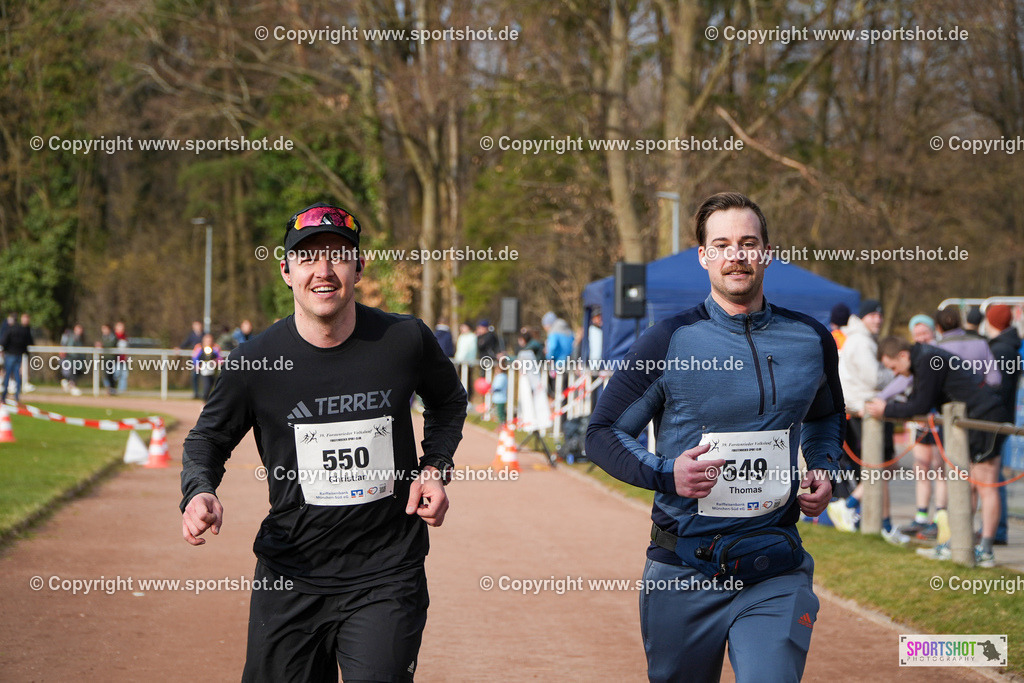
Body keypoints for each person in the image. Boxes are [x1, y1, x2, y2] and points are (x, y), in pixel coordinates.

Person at [180, 202, 467, 682]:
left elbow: (448, 402)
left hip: (386, 572)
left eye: (337, 255)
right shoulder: (256, 361)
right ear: (286, 271)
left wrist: (434, 466)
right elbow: (207, 438)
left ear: (358, 267)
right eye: (308, 257)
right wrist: (199, 491)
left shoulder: (404, 339)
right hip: (292, 572)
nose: (324, 271)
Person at [586, 192, 842, 682]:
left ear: (767, 252)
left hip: (775, 562)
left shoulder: (810, 339)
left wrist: (824, 467)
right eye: (721, 244)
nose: (736, 255)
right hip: (683, 569)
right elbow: (602, 433)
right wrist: (668, 473)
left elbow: (826, 415)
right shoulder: (668, 340)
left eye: (748, 243)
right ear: (703, 256)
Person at [867, 337, 1009, 567]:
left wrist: (886, 409)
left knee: (985, 485)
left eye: (893, 367)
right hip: (973, 417)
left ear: (903, 355)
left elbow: (920, 405)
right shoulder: (922, 359)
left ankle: (986, 550)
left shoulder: (926, 359)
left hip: (985, 416)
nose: (896, 374)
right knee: (970, 485)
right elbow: (918, 399)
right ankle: (959, 542)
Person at [834, 300, 904, 543]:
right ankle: (848, 505)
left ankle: (884, 526)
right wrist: (899, 372)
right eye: (873, 315)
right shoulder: (861, 341)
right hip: (867, 413)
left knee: (883, 468)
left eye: (880, 315)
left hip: (867, 410)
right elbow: (874, 378)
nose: (878, 319)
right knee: (880, 467)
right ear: (862, 317)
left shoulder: (860, 338)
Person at [984, 304, 1019, 546]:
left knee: (992, 476)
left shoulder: (1001, 351)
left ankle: (997, 530)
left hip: (996, 418)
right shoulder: (1007, 347)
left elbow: (999, 387)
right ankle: (996, 529)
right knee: (993, 474)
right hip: (1002, 416)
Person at [0, 313, 34, 405]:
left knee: (7, 376)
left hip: (10, 355)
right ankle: (16, 396)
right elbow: (29, 342)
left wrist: (5, 350)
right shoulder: (23, 330)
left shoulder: (10, 329)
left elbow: (3, 342)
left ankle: (4, 396)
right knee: (17, 376)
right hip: (19, 355)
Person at [191, 333, 223, 402]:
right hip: (203, 371)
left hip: (213, 371)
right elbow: (195, 357)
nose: (208, 342)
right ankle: (204, 402)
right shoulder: (199, 347)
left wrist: (215, 361)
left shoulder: (216, 348)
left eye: (210, 340)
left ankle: (209, 401)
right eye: (207, 340)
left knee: (213, 386)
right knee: (207, 385)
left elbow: (220, 359)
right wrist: (197, 365)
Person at [180, 320, 205, 398]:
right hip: (195, 360)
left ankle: (205, 393)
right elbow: (185, 343)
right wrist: (179, 348)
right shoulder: (191, 335)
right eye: (195, 325)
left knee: (205, 377)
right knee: (194, 376)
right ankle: (196, 393)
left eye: (198, 325)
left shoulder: (205, 335)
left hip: (204, 359)